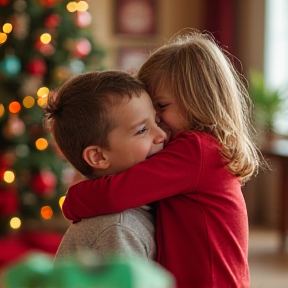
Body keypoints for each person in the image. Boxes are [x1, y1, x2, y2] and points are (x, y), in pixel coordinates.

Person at [61, 29, 266, 288]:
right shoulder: (205, 149)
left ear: (198, 102)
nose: (157, 120)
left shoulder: (195, 150)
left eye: (161, 107)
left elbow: (116, 193)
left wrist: (72, 200)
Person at [43, 70, 167, 264]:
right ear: (98, 156)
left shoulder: (136, 211)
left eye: (157, 121)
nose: (161, 135)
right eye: (142, 130)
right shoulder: (118, 230)